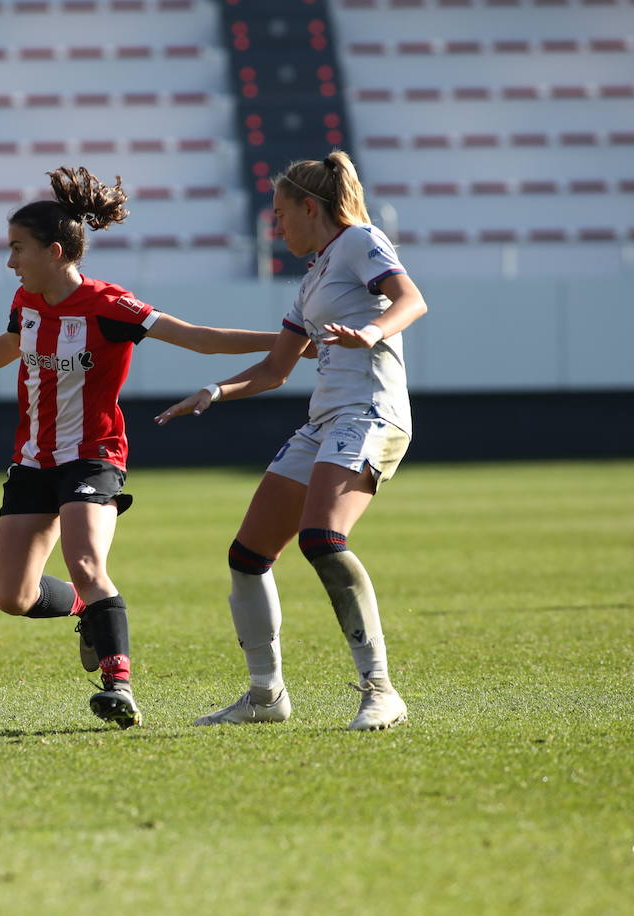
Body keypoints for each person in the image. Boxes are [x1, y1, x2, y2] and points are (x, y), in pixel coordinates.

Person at [0, 166, 288, 729]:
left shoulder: (109, 305)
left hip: (93, 455)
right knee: (12, 596)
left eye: (17, 249)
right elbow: (12, 339)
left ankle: (117, 684)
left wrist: (291, 342)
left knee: (88, 561)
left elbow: (196, 338)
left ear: (54, 251)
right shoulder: (27, 300)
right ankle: (85, 609)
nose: (10, 262)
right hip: (32, 461)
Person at [155, 150, 429, 731]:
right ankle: (265, 695)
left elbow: (412, 299)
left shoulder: (359, 241)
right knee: (247, 555)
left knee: (323, 538)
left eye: (282, 214)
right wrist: (213, 392)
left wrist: (371, 333)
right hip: (325, 422)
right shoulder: (312, 279)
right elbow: (276, 369)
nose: (277, 228)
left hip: (371, 414)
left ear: (311, 207)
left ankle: (381, 691)